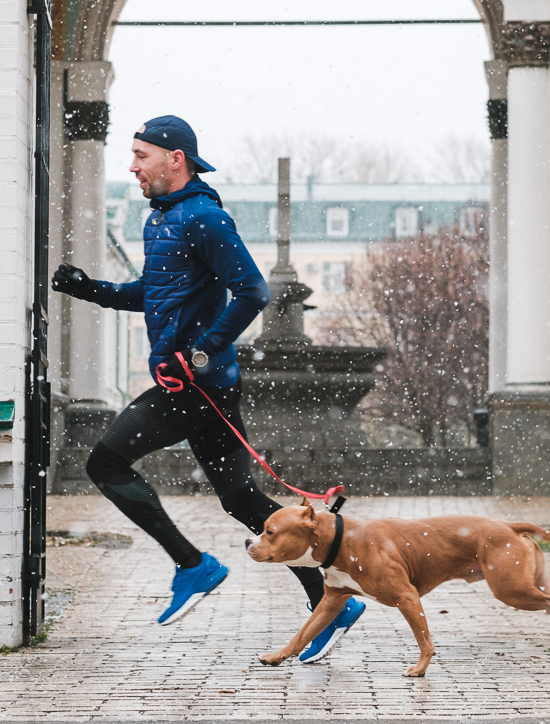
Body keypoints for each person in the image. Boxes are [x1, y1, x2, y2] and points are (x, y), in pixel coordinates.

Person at [52, 115, 365, 661]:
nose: (133, 166)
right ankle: (334, 597)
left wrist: (198, 353)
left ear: (176, 159)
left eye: (141, 155)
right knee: (241, 498)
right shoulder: (162, 220)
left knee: (104, 463)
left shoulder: (204, 218)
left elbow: (252, 291)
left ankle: (193, 565)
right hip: (194, 385)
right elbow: (152, 293)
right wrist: (92, 290)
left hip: (198, 386)